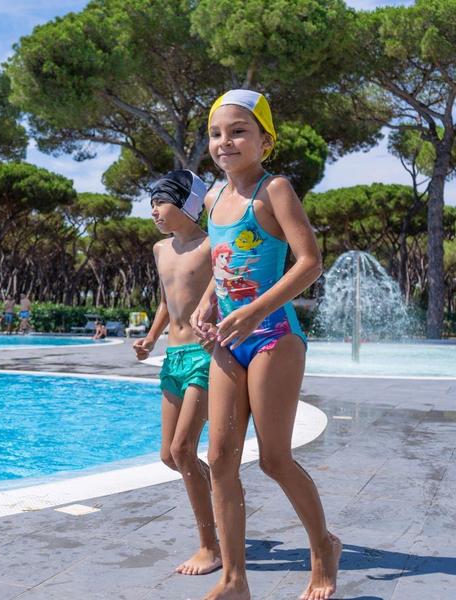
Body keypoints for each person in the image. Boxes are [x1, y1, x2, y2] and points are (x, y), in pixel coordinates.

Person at [192, 89, 340, 600]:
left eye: (238, 131)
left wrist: (253, 311)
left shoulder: (273, 190)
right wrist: (209, 301)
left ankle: (323, 548)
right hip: (227, 342)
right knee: (220, 458)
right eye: (216, 132)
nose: (225, 141)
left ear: (265, 140)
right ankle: (234, 580)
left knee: (274, 460)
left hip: (275, 337)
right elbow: (223, 260)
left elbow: (309, 262)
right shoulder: (213, 197)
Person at [132, 169, 222, 577]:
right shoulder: (159, 249)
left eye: (160, 202)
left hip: (205, 356)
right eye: (151, 203)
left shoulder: (212, 245)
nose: (153, 211)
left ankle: (210, 545)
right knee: (169, 455)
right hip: (172, 357)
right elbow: (169, 299)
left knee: (185, 449)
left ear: (187, 204)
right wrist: (151, 338)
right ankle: (221, 499)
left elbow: (223, 292)